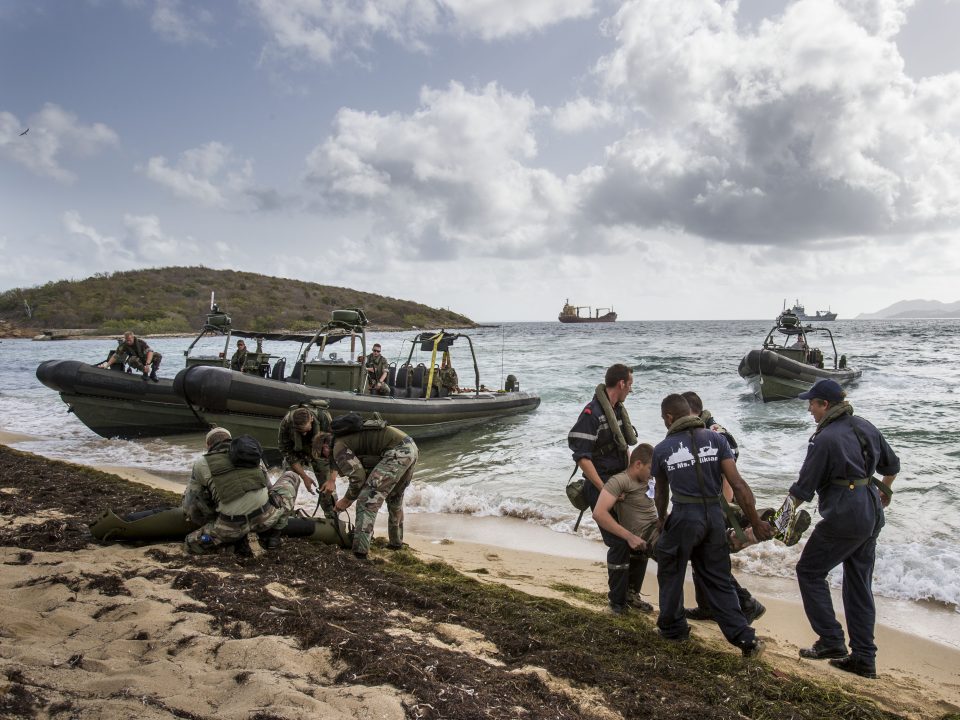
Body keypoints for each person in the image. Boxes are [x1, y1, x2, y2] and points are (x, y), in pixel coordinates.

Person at [791, 378, 898, 679]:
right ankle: (864, 658)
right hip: (871, 513)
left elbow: (803, 489)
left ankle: (831, 639)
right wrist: (884, 494)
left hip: (845, 515)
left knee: (809, 571)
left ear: (825, 405)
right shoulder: (866, 426)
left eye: (812, 403)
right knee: (858, 583)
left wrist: (778, 522)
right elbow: (892, 467)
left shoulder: (824, 439)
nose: (809, 409)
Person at [653, 393, 772, 657]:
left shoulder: (662, 449)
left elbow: (661, 494)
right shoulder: (717, 439)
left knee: (670, 568)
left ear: (670, 417)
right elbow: (738, 485)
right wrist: (755, 522)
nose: (664, 422)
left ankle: (673, 629)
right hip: (714, 516)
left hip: (684, 515)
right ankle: (745, 639)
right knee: (718, 579)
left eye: (664, 418)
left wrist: (661, 520)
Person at [680, 391, 764, 623]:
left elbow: (727, 475)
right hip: (709, 502)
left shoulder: (714, 434)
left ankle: (747, 604)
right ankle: (706, 605)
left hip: (720, 504)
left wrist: (723, 509)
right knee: (703, 554)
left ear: (689, 411)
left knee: (711, 557)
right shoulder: (699, 430)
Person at [567, 363, 638, 614]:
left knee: (637, 539)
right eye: (630, 384)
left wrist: (632, 481)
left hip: (620, 483)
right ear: (621, 384)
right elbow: (583, 458)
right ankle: (617, 603)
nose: (631, 389)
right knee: (619, 543)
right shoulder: (592, 413)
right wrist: (605, 488)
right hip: (602, 486)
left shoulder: (617, 411)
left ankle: (631, 596)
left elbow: (624, 447)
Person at [182, 427, 300, 554]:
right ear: (231, 440)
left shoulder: (201, 463)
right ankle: (274, 536)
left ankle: (228, 545)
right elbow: (269, 489)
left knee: (192, 542)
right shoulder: (251, 454)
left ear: (208, 445)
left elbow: (192, 500)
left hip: (230, 528)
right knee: (291, 476)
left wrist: (204, 517)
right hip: (265, 519)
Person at [320, 424, 419, 559]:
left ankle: (359, 554)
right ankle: (396, 544)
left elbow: (358, 477)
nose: (326, 459)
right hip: (410, 446)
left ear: (325, 446)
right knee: (395, 497)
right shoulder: (345, 439)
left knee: (366, 501)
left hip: (397, 452)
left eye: (322, 455)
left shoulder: (337, 446)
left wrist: (346, 500)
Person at [591, 443, 658, 613]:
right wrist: (629, 536)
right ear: (638, 464)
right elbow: (599, 513)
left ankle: (631, 595)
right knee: (675, 554)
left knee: (695, 541)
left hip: (656, 527)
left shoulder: (648, 479)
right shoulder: (620, 481)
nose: (654, 472)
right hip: (643, 532)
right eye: (651, 468)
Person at [277, 405, 337, 518]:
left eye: (306, 430)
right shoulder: (286, 423)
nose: (304, 434)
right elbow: (286, 451)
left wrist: (332, 479)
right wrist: (304, 477)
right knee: (288, 479)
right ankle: (283, 517)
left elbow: (335, 451)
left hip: (319, 450)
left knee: (327, 485)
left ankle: (333, 518)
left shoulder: (324, 419)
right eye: (300, 432)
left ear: (312, 420)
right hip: (296, 451)